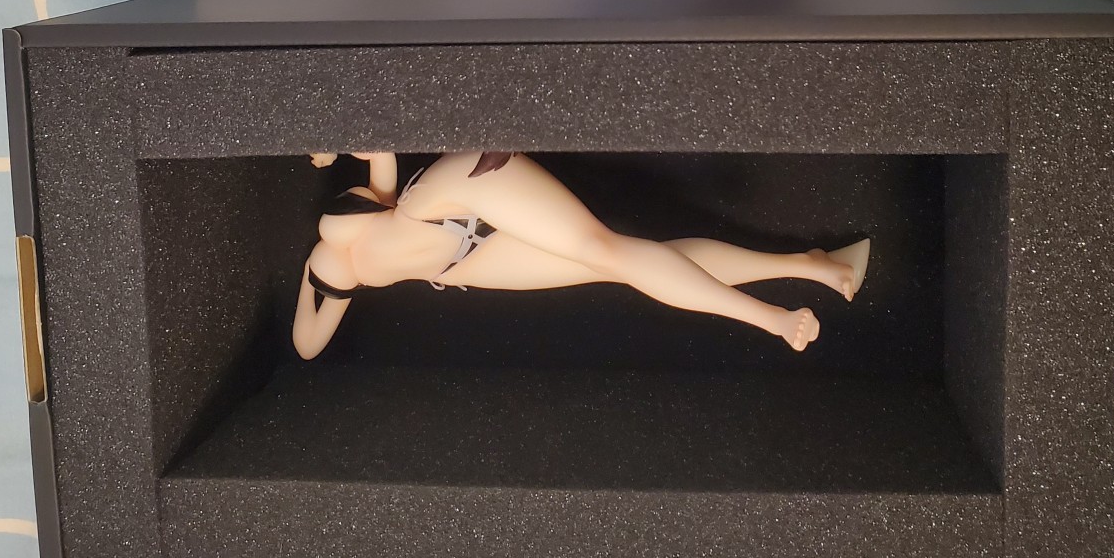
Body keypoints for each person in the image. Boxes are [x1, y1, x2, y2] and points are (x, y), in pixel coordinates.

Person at [293, 151, 869, 361]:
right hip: (458, 263)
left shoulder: (340, 239)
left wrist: (342, 146)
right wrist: (305, 281)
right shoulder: (328, 270)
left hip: (441, 198)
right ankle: (806, 264)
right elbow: (308, 344)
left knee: (609, 252)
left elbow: (384, 178)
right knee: (624, 266)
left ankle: (770, 318)